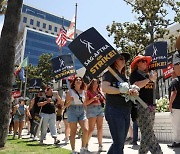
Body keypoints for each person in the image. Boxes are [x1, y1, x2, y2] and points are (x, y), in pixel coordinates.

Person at [102, 52, 138, 154]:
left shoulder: (123, 76)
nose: (124, 60)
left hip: (126, 110)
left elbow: (126, 92)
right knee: (119, 144)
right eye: (121, 58)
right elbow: (104, 88)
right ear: (114, 61)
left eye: (124, 59)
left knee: (119, 142)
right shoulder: (109, 73)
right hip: (114, 110)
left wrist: (132, 92)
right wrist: (122, 91)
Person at [130, 55, 163, 154]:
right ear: (137, 63)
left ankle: (142, 152)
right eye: (142, 61)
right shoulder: (134, 74)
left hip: (151, 105)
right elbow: (136, 85)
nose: (145, 62)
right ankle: (158, 151)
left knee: (146, 131)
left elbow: (153, 89)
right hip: (141, 106)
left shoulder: (147, 74)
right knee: (148, 132)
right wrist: (149, 79)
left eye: (145, 61)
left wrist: (153, 79)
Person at [65, 76, 88, 154]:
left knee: (85, 130)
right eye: (77, 80)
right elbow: (66, 105)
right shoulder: (69, 92)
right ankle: (73, 150)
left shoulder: (84, 92)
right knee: (73, 132)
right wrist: (70, 101)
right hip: (72, 110)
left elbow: (85, 103)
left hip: (82, 110)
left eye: (80, 80)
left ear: (82, 82)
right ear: (74, 82)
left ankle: (83, 148)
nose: (78, 81)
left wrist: (86, 111)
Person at [84, 78, 105, 152]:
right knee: (91, 129)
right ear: (91, 84)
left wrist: (103, 98)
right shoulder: (88, 92)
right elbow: (85, 103)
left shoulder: (99, 91)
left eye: (97, 83)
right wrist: (93, 99)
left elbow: (104, 101)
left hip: (99, 109)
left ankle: (100, 146)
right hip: (92, 109)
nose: (96, 85)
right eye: (94, 83)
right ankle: (85, 145)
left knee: (100, 128)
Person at [168, 51, 180, 148]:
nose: (171, 72)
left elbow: (174, 93)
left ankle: (176, 142)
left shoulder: (174, 81)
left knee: (176, 126)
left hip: (176, 107)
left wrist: (170, 104)